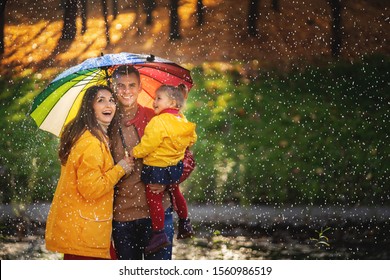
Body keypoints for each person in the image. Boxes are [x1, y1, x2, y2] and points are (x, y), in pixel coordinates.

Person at [45, 85, 133, 260]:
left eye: (112, 100)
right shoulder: (91, 143)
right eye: (101, 101)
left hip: (85, 231)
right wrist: (120, 168)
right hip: (85, 235)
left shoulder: (94, 137)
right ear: (90, 108)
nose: (109, 105)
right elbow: (91, 189)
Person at [109, 65, 174, 260]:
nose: (126, 91)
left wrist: (166, 180)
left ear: (139, 88)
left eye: (131, 85)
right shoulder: (106, 122)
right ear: (113, 88)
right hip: (122, 216)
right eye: (121, 86)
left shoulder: (157, 118)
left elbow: (184, 158)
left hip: (158, 215)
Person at [130, 84, 197, 254]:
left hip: (157, 167)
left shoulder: (158, 121)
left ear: (173, 102)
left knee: (154, 199)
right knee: (176, 192)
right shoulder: (182, 120)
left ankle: (158, 234)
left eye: (159, 98)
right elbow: (192, 138)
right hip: (175, 166)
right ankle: (184, 222)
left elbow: (149, 144)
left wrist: (135, 152)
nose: (154, 102)